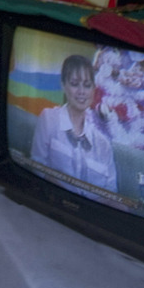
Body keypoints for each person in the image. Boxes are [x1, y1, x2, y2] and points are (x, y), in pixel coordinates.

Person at [30, 54, 118, 193]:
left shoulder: (104, 143)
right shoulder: (48, 118)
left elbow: (111, 191)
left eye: (87, 85)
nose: (82, 92)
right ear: (63, 85)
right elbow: (37, 166)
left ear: (94, 89)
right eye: (74, 84)